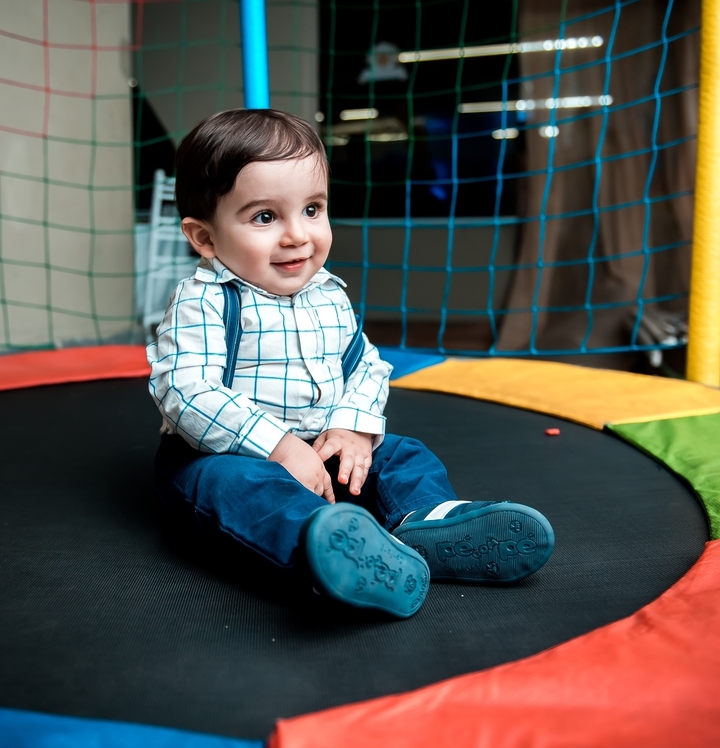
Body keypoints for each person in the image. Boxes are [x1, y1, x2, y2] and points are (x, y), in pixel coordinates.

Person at [147, 109, 554, 618]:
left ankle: (428, 526)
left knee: (404, 454)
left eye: (312, 209)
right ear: (205, 238)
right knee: (236, 490)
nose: (297, 235)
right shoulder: (204, 300)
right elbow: (185, 390)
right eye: (265, 217)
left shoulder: (327, 295)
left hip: (326, 447)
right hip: (230, 455)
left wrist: (353, 426)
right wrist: (278, 446)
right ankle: (323, 549)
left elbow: (365, 366)